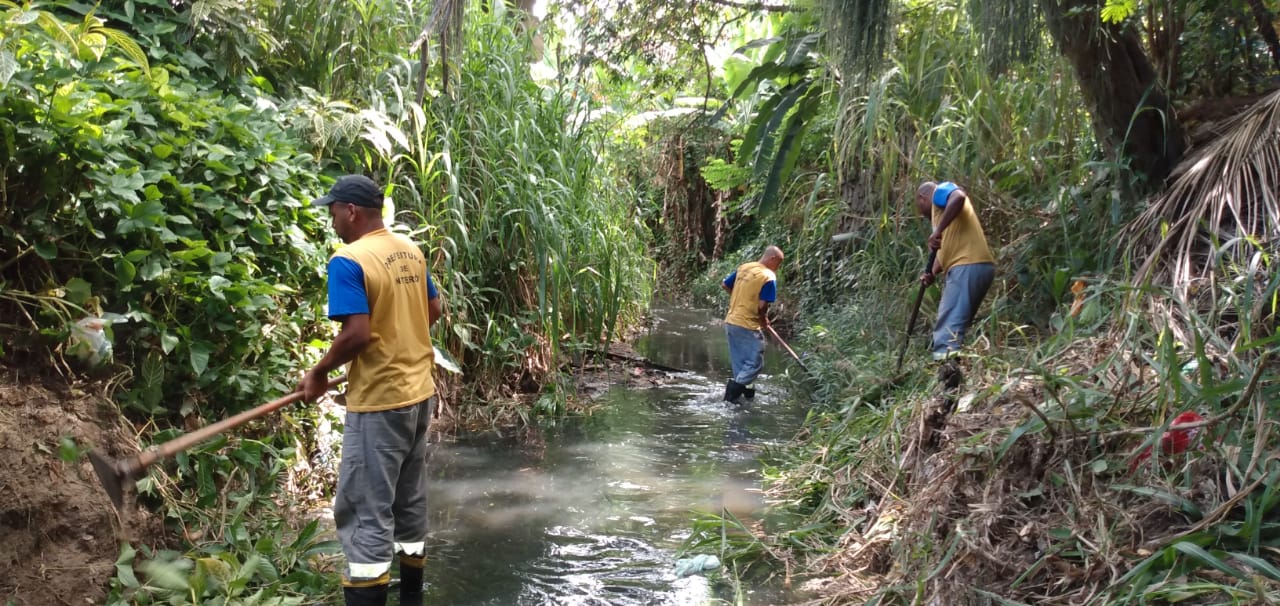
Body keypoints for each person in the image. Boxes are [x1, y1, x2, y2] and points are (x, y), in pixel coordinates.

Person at [298, 174, 444, 606]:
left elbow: (357, 334)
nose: (332, 222)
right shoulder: (410, 250)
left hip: (381, 402)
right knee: (409, 502)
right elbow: (434, 308)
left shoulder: (349, 260)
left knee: (365, 511)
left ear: (351, 211)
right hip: (420, 395)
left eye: (333, 212)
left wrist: (319, 372)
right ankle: (412, 597)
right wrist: (400, 343)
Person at [915, 181, 995, 387]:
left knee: (947, 328)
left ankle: (948, 388)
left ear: (922, 198)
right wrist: (931, 274)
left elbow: (958, 196)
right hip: (974, 265)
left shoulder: (940, 191)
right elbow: (944, 254)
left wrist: (938, 230)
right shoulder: (943, 218)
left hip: (967, 265)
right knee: (956, 327)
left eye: (919, 207)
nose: (921, 213)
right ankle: (958, 380)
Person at [720, 246, 784, 404]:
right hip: (748, 324)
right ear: (772, 259)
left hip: (731, 321)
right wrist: (763, 319)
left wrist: (741, 299)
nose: (778, 267)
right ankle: (729, 399)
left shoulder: (744, 267)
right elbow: (762, 305)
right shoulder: (768, 276)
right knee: (755, 363)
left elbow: (725, 285)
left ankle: (747, 399)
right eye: (779, 263)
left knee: (741, 365)